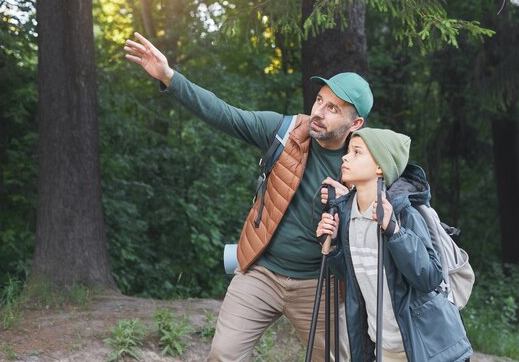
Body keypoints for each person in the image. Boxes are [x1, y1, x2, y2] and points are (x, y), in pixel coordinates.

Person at [124, 31, 373, 361]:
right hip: (262, 273)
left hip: (321, 287)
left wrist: (353, 204)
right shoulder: (286, 131)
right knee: (223, 355)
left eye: (333, 109)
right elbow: (225, 114)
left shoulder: (368, 164)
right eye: (319, 101)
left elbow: (385, 229)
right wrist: (169, 77)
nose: (319, 111)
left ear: (355, 122)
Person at [316, 128, 473, 362]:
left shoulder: (404, 214)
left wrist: (395, 233)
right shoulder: (347, 214)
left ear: (380, 166)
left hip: (426, 346)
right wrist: (333, 244)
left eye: (357, 152)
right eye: (348, 151)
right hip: (383, 347)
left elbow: (429, 277)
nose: (345, 157)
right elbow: (353, 277)